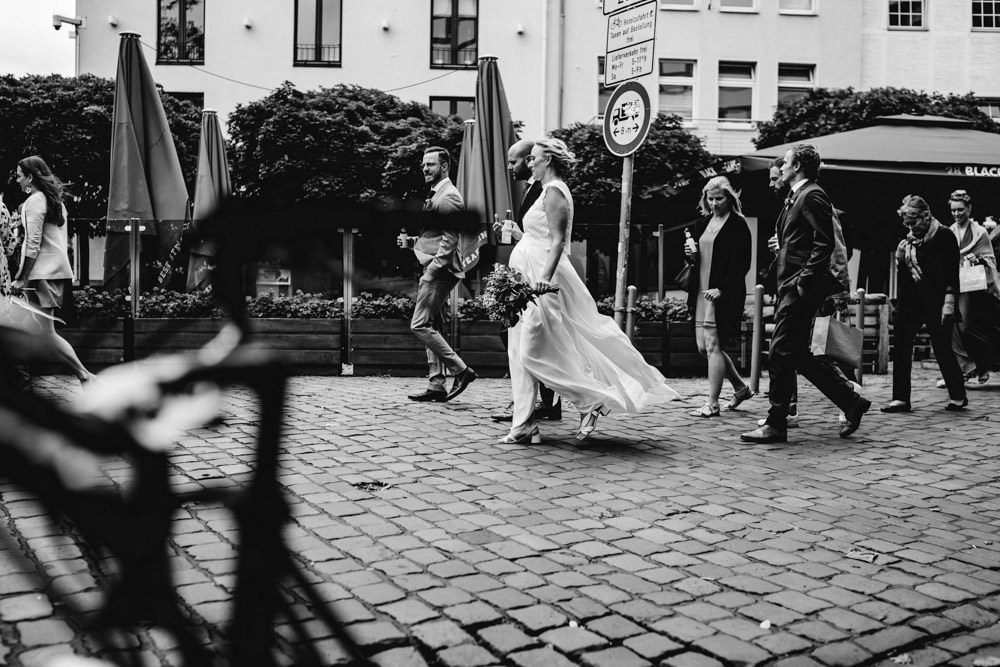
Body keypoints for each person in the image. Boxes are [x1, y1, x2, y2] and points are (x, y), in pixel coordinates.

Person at [500, 137, 678, 444]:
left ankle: (590, 400)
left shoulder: (555, 191)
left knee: (532, 350)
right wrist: (519, 237)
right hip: (526, 277)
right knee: (518, 350)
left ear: (548, 161)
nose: (530, 163)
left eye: (534, 159)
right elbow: (537, 235)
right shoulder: (545, 190)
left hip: (543, 280)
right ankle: (524, 424)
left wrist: (542, 279)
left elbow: (557, 242)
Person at [741, 144, 868, 444]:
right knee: (798, 355)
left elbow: (826, 242)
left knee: (780, 351)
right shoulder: (796, 196)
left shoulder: (812, 195)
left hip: (799, 289)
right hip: (790, 285)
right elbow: (803, 241)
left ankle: (776, 422)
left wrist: (803, 283)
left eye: (785, 163)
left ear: (797, 166)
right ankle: (852, 402)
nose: (781, 168)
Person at [492, 139, 561, 423]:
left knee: (535, 338)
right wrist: (512, 233)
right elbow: (533, 232)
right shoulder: (532, 187)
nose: (511, 167)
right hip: (527, 269)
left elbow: (554, 237)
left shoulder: (549, 189)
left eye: (515, 161)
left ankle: (542, 402)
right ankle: (536, 401)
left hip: (539, 274)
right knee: (522, 336)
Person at [402, 147, 477, 402]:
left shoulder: (449, 196)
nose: (425, 168)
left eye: (431, 164)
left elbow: (450, 238)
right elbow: (436, 234)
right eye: (424, 164)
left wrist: (431, 271)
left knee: (419, 324)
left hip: (440, 269)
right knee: (432, 324)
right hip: (435, 264)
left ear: (444, 167)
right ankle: (436, 384)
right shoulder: (438, 193)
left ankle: (461, 370)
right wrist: (414, 242)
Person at [10, 156, 94, 385]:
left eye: (19, 175)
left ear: (30, 177)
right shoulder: (54, 201)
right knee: (30, 329)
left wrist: (20, 277)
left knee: (45, 332)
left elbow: (33, 243)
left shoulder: (35, 201)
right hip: (55, 272)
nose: (17, 180)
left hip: (40, 274)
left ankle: (85, 375)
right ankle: (17, 376)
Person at [881, 195, 967, 413]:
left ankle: (958, 396)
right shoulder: (909, 240)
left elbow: (951, 274)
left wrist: (949, 302)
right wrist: (900, 260)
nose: (911, 228)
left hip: (937, 301)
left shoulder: (944, 235)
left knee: (942, 348)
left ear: (926, 215)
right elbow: (906, 274)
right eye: (908, 224)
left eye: (914, 222)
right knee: (901, 346)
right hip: (910, 301)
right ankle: (901, 398)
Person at [684, 176, 753, 417]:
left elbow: (743, 263)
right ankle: (741, 388)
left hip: (721, 293)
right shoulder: (703, 222)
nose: (714, 203)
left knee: (714, 345)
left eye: (719, 198)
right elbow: (700, 259)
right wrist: (691, 255)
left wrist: (722, 289)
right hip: (701, 291)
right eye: (710, 199)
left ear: (729, 198)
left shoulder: (737, 224)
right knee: (704, 348)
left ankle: (712, 403)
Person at [939, 189, 1000, 387]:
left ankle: (978, 365)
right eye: (953, 210)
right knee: (957, 326)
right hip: (958, 286)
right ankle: (967, 367)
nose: (957, 214)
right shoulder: (949, 231)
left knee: (971, 327)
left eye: (960, 210)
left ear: (969, 208)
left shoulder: (980, 233)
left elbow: (991, 259)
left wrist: (979, 259)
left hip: (978, 289)